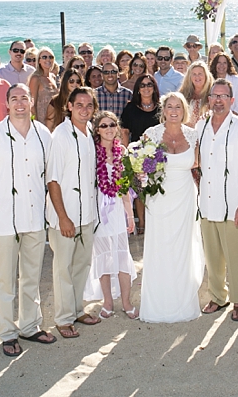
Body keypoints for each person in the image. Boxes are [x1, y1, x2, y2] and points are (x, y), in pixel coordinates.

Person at [0, 83, 55, 357]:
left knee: (32, 276)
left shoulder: (43, 134)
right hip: (6, 221)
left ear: (32, 102)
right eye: (14, 99)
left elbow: (48, 176)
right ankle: (8, 333)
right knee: (6, 280)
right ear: (6, 104)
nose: (20, 103)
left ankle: (30, 326)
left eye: (24, 98)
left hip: (35, 218)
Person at [197, 79, 238, 322]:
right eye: (215, 96)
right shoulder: (201, 127)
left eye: (224, 96)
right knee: (212, 257)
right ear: (209, 99)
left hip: (234, 203)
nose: (219, 100)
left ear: (232, 101)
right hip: (207, 203)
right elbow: (195, 161)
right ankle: (217, 296)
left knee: (236, 256)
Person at [139, 93, 205, 323]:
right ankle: (159, 302)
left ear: (184, 110)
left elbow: (198, 164)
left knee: (184, 247)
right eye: (170, 106)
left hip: (186, 197)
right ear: (163, 109)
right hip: (159, 198)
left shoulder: (194, 135)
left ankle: (183, 300)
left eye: (178, 106)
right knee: (160, 247)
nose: (174, 110)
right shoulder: (151, 134)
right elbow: (140, 166)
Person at [46, 86, 102, 337]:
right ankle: (63, 318)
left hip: (87, 213)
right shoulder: (60, 135)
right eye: (79, 105)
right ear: (69, 106)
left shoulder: (90, 132)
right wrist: (62, 217)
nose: (84, 109)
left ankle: (77, 309)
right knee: (63, 268)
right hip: (65, 216)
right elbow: (53, 180)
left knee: (82, 264)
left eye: (89, 105)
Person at [84, 111, 137, 320]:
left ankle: (126, 301)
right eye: (103, 126)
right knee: (103, 257)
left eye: (112, 125)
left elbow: (124, 188)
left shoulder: (122, 152)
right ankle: (107, 302)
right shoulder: (91, 152)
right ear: (97, 130)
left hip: (115, 209)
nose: (108, 129)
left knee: (122, 255)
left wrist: (130, 215)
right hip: (98, 210)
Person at [120, 74, 161, 234]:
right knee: (140, 191)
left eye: (149, 84)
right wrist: (126, 154)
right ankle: (142, 224)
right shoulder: (130, 108)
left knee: (156, 189)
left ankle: (156, 224)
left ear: (154, 87)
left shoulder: (161, 107)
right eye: (142, 85)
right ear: (137, 89)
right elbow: (124, 131)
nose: (146, 88)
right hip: (136, 153)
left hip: (158, 153)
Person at [28, 46, 59, 122]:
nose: (48, 59)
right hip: (41, 119)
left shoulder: (53, 77)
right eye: (44, 57)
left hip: (54, 119)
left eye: (50, 57)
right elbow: (32, 104)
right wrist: (35, 123)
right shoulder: (36, 78)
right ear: (39, 61)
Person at [180, 61, 213, 125]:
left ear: (206, 75)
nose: (197, 77)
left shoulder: (213, 93)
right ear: (190, 77)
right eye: (194, 74)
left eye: (200, 74)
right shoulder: (183, 94)